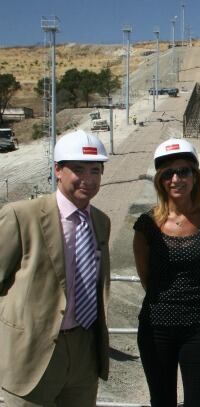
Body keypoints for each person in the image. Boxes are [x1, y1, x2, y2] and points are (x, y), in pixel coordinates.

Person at [0, 129, 111, 406]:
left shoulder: (101, 222)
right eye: (78, 169)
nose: (88, 179)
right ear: (58, 170)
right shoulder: (20, 216)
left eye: (95, 170)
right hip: (31, 356)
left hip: (84, 352)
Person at [133, 138, 200, 407]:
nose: (176, 179)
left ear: (195, 176)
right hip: (156, 328)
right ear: (160, 181)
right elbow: (146, 277)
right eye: (168, 174)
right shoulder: (146, 226)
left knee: (198, 402)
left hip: (199, 328)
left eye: (184, 171)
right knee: (162, 400)